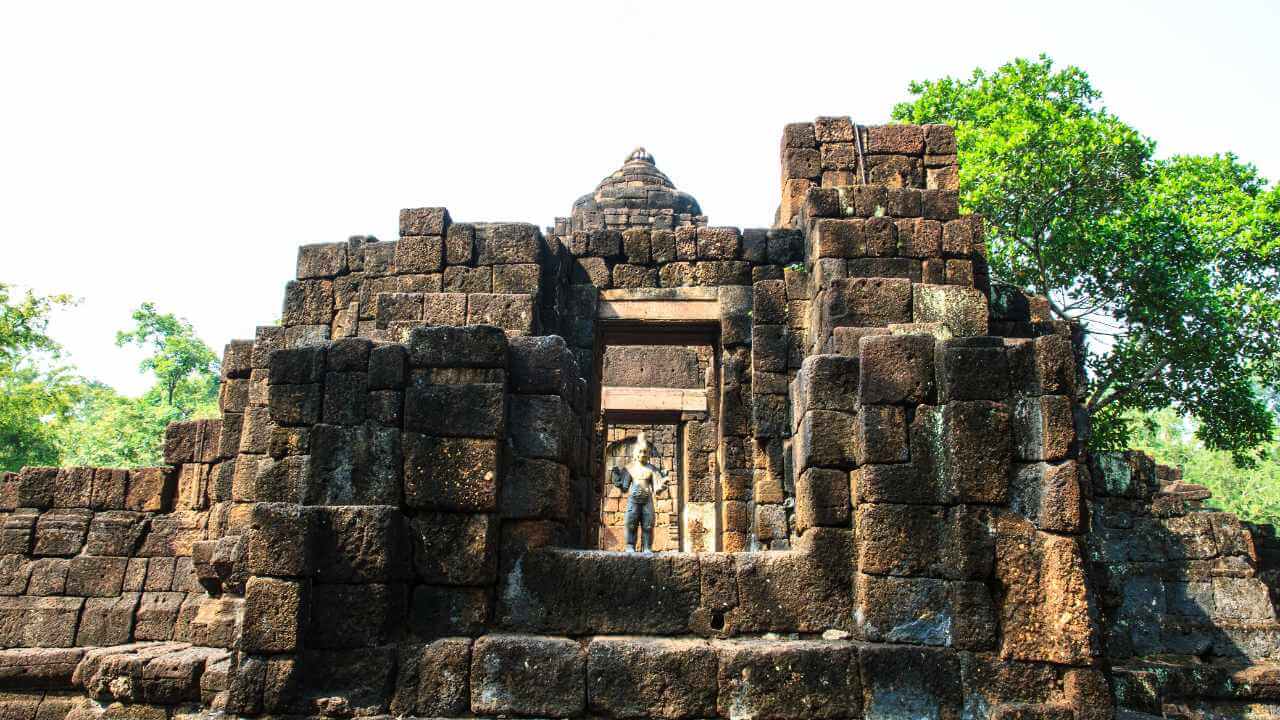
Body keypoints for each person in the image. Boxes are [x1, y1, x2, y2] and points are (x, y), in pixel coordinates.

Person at [610, 433, 669, 553]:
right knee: (631, 524)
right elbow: (625, 487)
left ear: (648, 454)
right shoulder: (630, 468)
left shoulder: (652, 469)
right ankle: (630, 546)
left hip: (647, 500)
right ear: (636, 454)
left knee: (648, 525)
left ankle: (647, 547)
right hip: (633, 500)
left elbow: (657, 487)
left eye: (645, 452)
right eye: (640, 452)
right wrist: (617, 479)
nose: (643, 454)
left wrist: (663, 482)